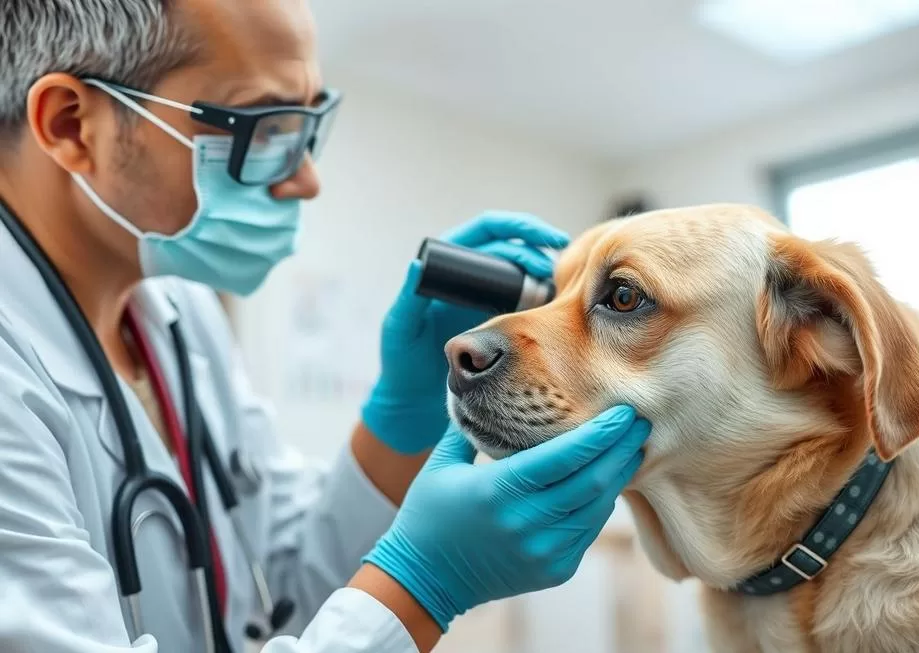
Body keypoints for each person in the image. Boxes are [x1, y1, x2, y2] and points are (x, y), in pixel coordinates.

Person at [0, 1, 651, 652]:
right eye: (264, 128)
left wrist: (402, 417)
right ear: (70, 125)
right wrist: (425, 583)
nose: (307, 179)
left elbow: (292, 585)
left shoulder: (180, 316)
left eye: (309, 126)